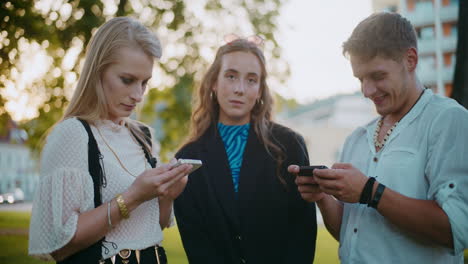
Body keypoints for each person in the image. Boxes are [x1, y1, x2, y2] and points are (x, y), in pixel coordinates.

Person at [290, 12, 468, 263]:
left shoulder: (449, 120)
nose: (367, 90)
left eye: (377, 76)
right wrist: (323, 197)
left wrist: (368, 191)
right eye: (361, 79)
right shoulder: (356, 138)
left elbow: (456, 230)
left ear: (410, 59)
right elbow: (351, 234)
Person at [28, 17, 192, 264]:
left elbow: (153, 225)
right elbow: (60, 243)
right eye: (127, 80)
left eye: (144, 82)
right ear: (97, 71)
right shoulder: (73, 134)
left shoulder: (142, 136)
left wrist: (167, 195)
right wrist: (134, 196)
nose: (138, 95)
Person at [173, 35, 317, 264]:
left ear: (260, 90)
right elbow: (196, 242)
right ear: (214, 82)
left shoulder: (290, 145)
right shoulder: (188, 158)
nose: (240, 89)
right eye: (231, 76)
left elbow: (302, 233)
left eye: (251, 80)